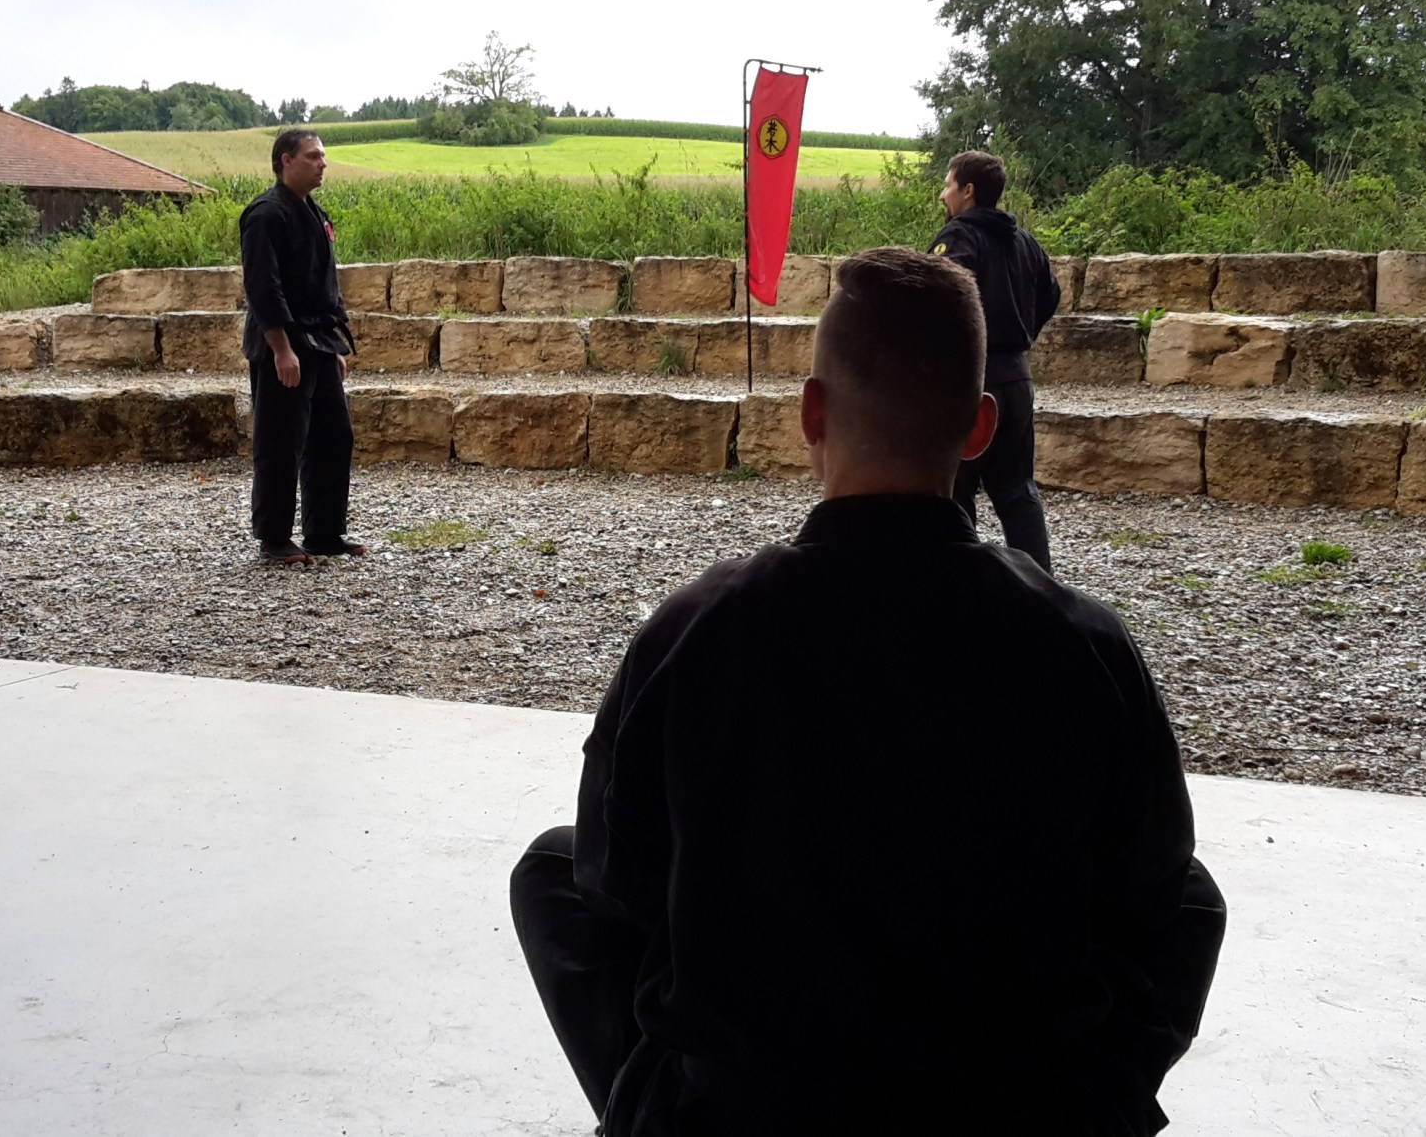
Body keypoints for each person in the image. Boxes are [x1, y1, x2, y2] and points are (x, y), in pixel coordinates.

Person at [509, 248, 1224, 1135]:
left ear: (812, 412)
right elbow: (1150, 884)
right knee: (1194, 895)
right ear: (981, 426)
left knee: (553, 868)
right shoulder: (1083, 642)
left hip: (752, 1106)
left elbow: (617, 876)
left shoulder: (697, 630)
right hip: (1010, 1096)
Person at [930, 149, 1060, 572]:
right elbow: (1051, 294)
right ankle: (1041, 586)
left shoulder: (959, 238)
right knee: (1017, 489)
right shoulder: (1026, 243)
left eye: (948, 185)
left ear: (968, 191)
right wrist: (1022, 333)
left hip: (970, 381)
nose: (943, 194)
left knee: (955, 490)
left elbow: (941, 297)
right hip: (1017, 379)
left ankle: (961, 583)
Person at [240, 128, 360, 565]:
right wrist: (280, 348)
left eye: (323, 156)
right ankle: (274, 539)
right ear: (286, 161)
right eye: (313, 156)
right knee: (280, 440)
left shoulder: (315, 213)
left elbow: (326, 282)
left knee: (333, 435)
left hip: (318, 341)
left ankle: (324, 532)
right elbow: (262, 286)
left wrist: (334, 346)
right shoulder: (266, 215)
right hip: (283, 342)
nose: (322, 163)